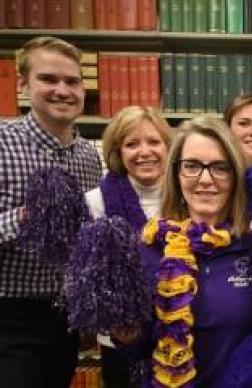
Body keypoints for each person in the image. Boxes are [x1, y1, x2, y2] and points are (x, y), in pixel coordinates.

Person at [135, 116, 252, 386]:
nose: (206, 179)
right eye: (192, 166)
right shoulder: (149, 246)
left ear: (235, 175)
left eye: (220, 168)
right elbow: (137, 350)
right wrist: (126, 335)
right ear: (176, 173)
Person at [0, 36, 103, 387]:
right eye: (48, 79)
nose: (63, 90)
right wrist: (25, 218)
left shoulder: (89, 157)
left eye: (72, 81)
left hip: (65, 317)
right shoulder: (1, 142)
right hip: (9, 316)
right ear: (23, 85)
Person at [83, 105, 173, 388]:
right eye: (131, 144)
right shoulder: (95, 202)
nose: (144, 151)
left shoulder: (187, 197)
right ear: (117, 151)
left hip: (179, 334)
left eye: (154, 142)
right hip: (119, 340)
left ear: (169, 147)